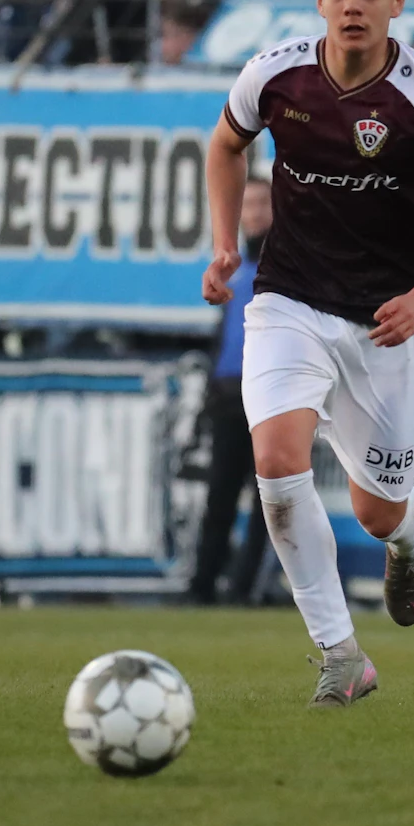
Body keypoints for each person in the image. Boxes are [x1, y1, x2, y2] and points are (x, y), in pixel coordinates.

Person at [201, 0, 414, 707]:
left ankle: (408, 541)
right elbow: (225, 144)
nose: (353, 5)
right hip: (287, 300)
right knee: (276, 460)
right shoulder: (275, 74)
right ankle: (340, 652)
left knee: (375, 510)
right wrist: (226, 242)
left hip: (382, 324)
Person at [189, 177, 276, 606]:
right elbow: (223, 337)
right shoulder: (233, 270)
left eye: (264, 203)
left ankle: (245, 590)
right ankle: (201, 586)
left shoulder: (287, 267)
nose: (256, 212)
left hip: (271, 397)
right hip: (228, 396)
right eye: (249, 203)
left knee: (271, 501)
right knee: (219, 496)